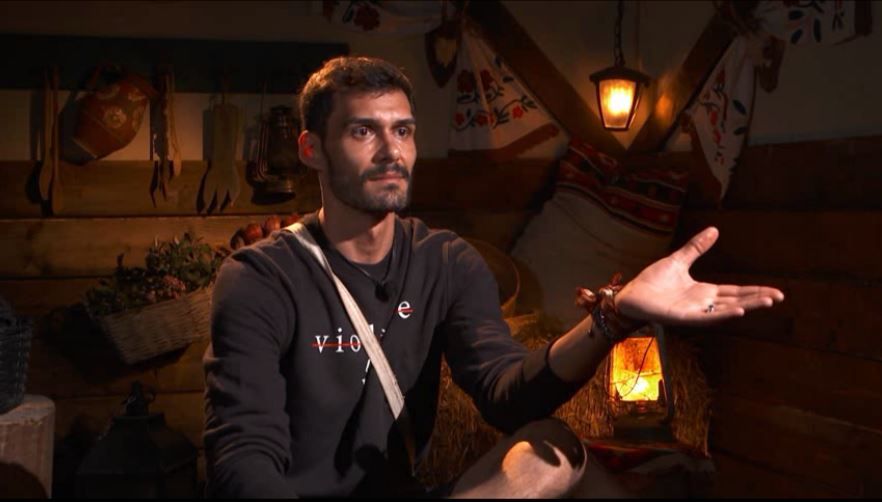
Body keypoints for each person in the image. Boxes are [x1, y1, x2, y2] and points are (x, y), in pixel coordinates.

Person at [202, 56, 784, 498]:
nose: (390, 151)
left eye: (402, 130)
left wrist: (615, 315)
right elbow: (242, 455)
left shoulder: (445, 261)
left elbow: (508, 395)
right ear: (312, 149)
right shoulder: (260, 277)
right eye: (362, 132)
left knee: (553, 448)